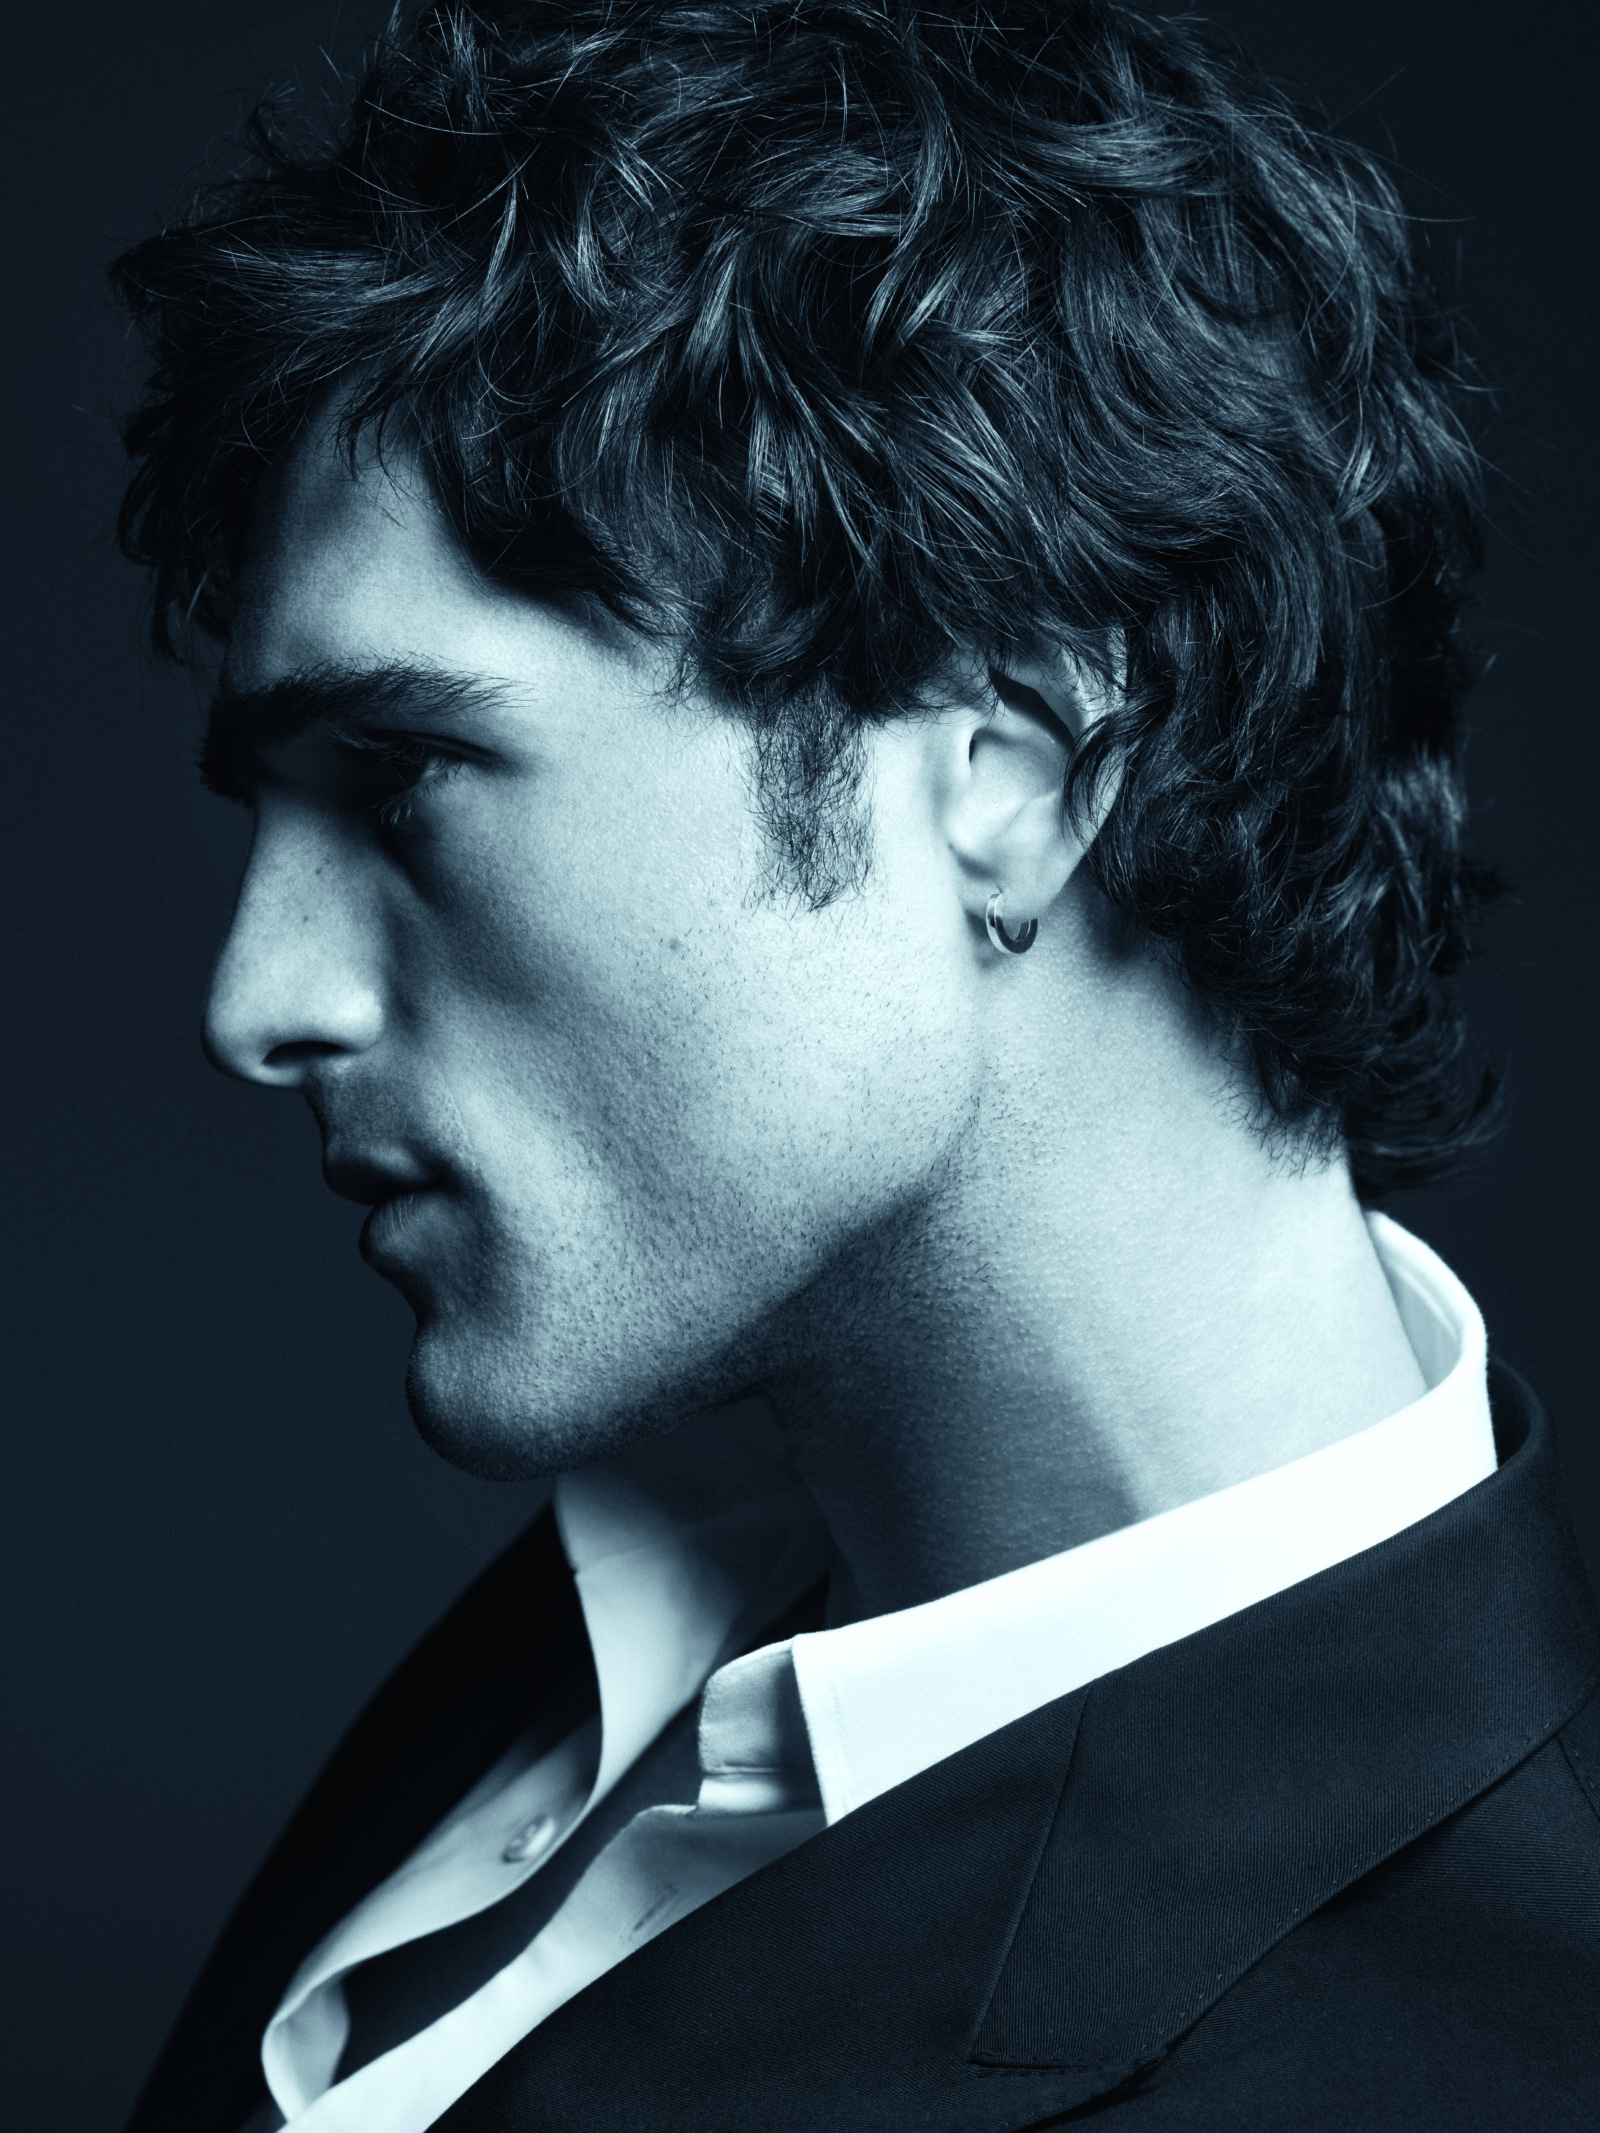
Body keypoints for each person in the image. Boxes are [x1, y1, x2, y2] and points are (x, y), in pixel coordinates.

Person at [110, 1, 1600, 2126]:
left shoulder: (1488, 2056)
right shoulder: (631, 1598)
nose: (259, 999)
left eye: (407, 773)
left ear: (1007, 775)